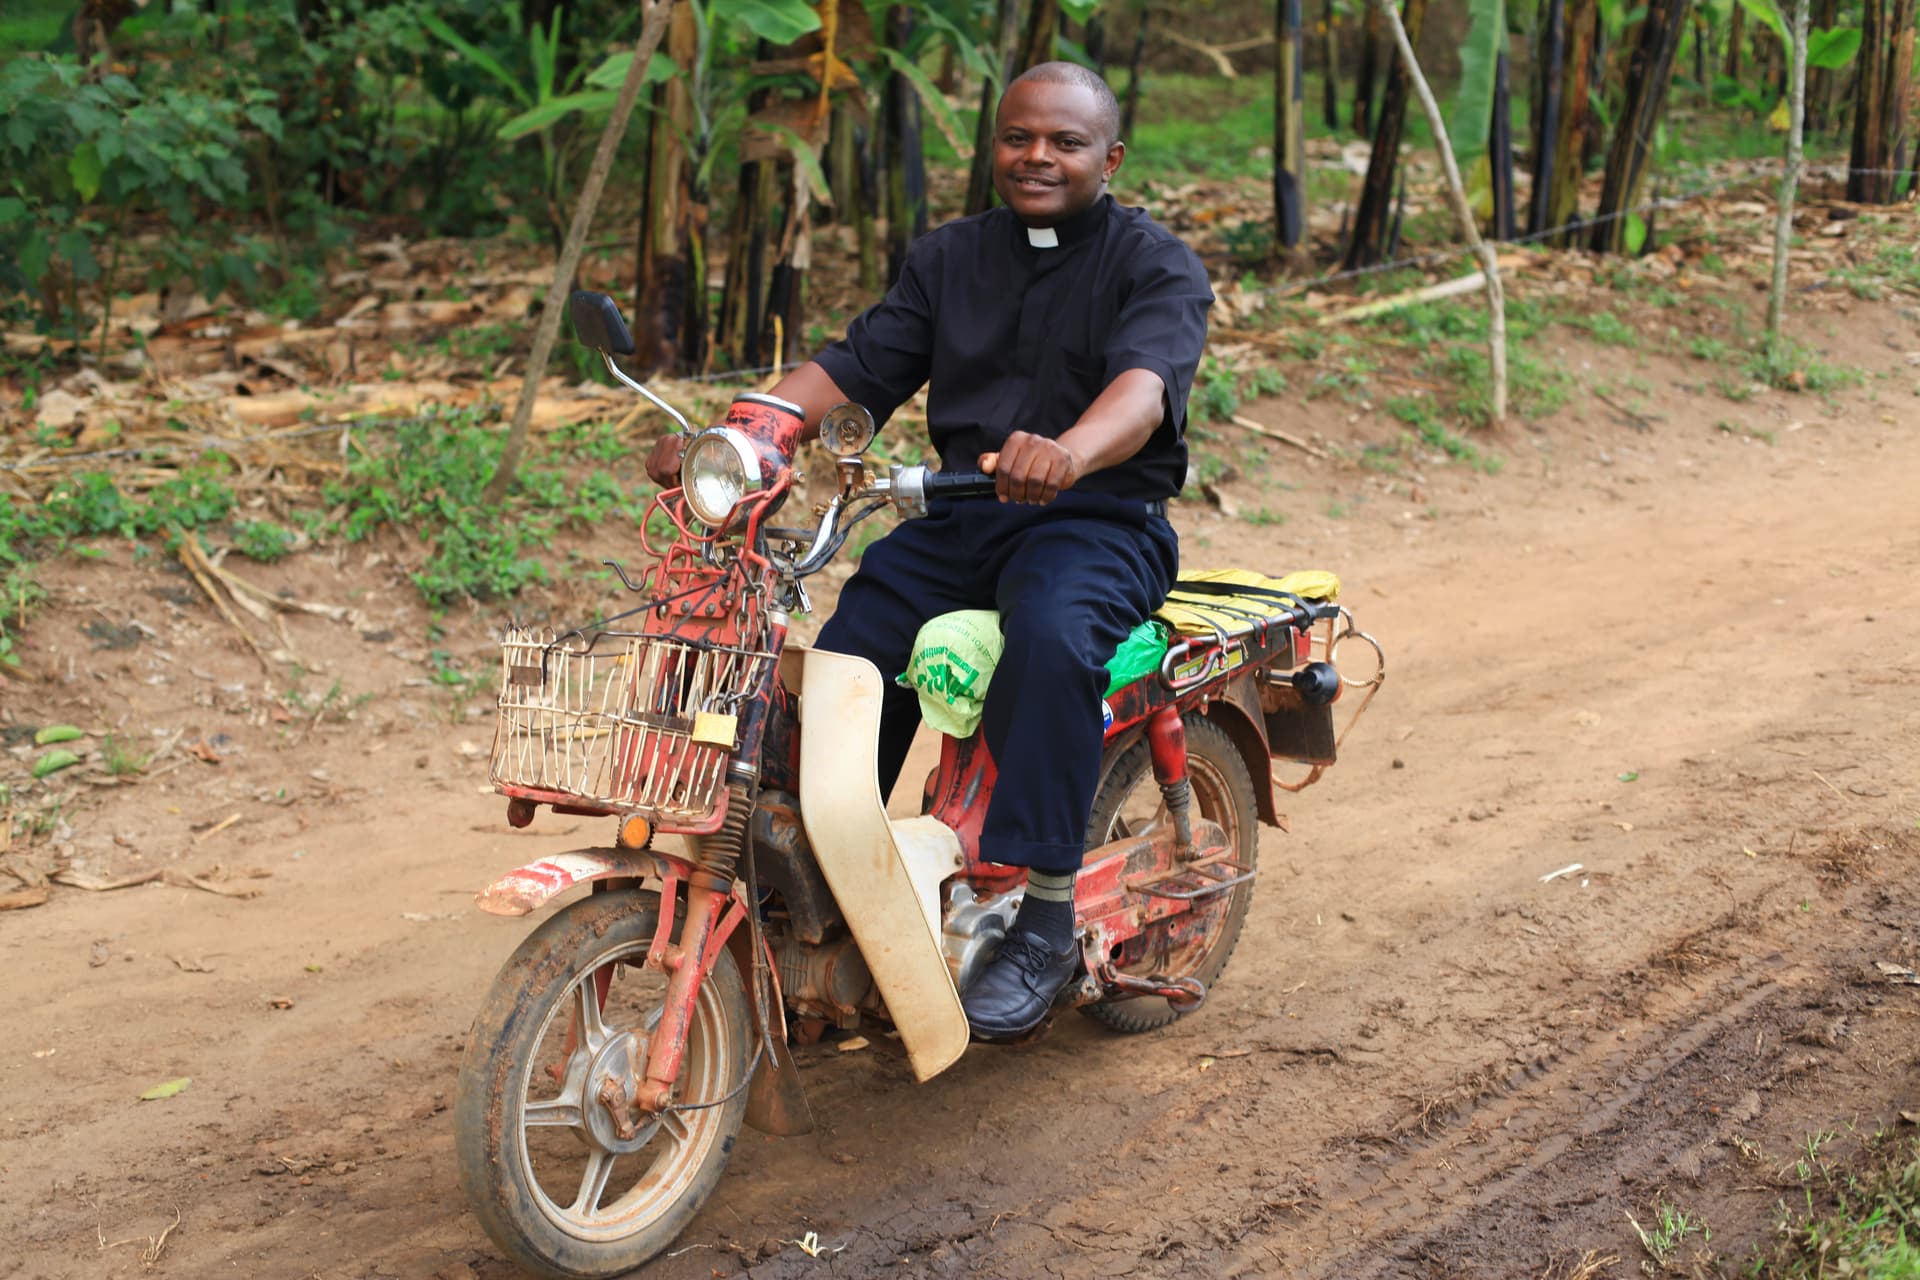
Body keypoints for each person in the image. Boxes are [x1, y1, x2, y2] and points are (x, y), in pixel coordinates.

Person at [648, 62, 1212, 1039]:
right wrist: (747, 431)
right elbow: (858, 364)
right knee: (853, 642)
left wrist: (1068, 452)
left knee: (1048, 632)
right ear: (994, 146)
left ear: (1110, 157)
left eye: (1065, 142)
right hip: (962, 517)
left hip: (1099, 522)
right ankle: (835, 864)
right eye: (1018, 137)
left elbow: (1144, 389)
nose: (1037, 156)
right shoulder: (952, 256)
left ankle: (1040, 913)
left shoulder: (1154, 265)